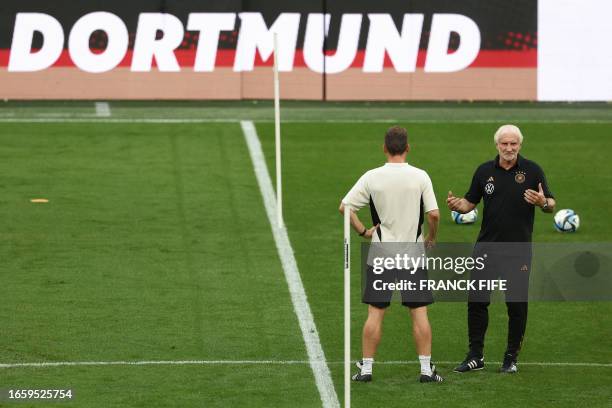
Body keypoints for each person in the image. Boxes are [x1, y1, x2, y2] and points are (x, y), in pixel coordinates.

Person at [447, 124, 555, 374]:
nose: (509, 148)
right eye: (504, 144)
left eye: (513, 144)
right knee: (476, 302)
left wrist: (543, 202)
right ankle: (475, 356)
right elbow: (469, 203)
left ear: (520, 145)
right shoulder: (484, 171)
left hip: (518, 251)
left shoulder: (532, 170)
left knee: (516, 305)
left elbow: (550, 203)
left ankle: (510, 358)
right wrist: (457, 205)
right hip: (486, 249)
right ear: (497, 145)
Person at [339, 126, 443, 383]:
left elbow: (345, 207)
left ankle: (366, 370)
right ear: (408, 148)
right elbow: (434, 214)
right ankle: (425, 370)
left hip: (381, 252)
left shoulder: (372, 177)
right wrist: (432, 237)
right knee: (419, 312)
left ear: (384, 148)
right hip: (413, 254)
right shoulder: (420, 176)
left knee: (376, 312)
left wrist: (363, 230)